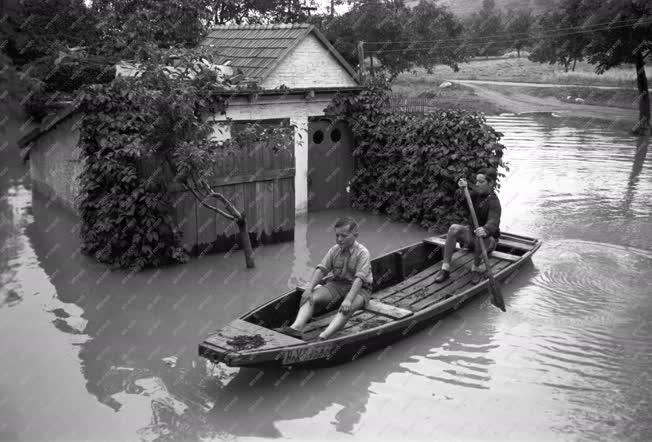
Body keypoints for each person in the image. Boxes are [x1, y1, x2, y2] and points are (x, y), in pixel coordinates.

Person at [277, 217, 373, 341]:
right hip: (337, 284)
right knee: (310, 297)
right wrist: (309, 289)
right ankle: (296, 328)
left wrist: (348, 300)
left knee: (346, 309)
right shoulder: (334, 250)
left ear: (355, 235)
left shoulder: (363, 253)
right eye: (337, 235)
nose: (339, 239)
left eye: (344, 236)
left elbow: (359, 279)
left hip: (361, 289)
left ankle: (323, 337)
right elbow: (322, 269)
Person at [433, 168, 502, 285]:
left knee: (483, 237)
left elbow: (493, 221)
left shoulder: (494, 203)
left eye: (481, 182)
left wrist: (485, 229)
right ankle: (445, 269)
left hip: (487, 241)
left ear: (490, 183)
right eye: (476, 181)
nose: (477, 184)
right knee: (454, 228)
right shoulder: (475, 195)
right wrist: (463, 190)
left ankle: (475, 268)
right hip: (472, 236)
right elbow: (464, 203)